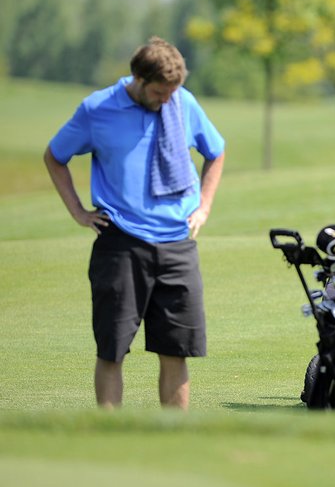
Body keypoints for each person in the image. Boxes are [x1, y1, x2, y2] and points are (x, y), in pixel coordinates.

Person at [43, 37, 226, 410]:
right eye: (160, 92)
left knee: (177, 352)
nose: (166, 100)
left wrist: (204, 206)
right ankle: (111, 441)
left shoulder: (182, 102)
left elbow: (216, 151)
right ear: (138, 80)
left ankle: (172, 441)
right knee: (112, 350)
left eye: (172, 92)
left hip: (178, 245)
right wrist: (78, 212)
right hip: (121, 245)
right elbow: (55, 156)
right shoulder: (97, 109)